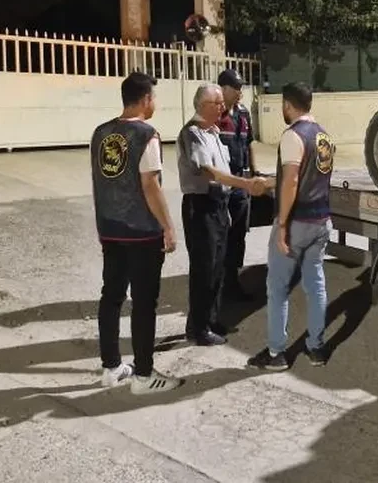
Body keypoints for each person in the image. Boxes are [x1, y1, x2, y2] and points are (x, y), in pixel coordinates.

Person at [90, 71, 183, 394]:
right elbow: (150, 185)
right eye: (154, 97)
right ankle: (144, 375)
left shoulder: (101, 133)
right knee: (144, 303)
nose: (154, 103)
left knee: (111, 296)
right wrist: (168, 227)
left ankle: (111, 366)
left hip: (110, 229)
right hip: (141, 232)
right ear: (145, 99)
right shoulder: (147, 134)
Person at [247, 82, 335, 371]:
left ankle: (276, 354)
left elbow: (293, 181)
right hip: (321, 221)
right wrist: (271, 181)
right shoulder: (323, 135)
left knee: (278, 289)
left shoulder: (292, 136)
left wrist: (282, 225)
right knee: (316, 285)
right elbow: (306, 177)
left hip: (296, 223)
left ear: (287, 105)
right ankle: (316, 348)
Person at [176, 83, 264, 346]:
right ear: (204, 105)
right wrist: (245, 184)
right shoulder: (193, 133)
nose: (222, 107)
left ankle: (211, 319)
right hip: (201, 205)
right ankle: (197, 328)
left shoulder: (212, 132)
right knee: (203, 270)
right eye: (217, 103)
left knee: (216, 267)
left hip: (217, 205)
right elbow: (210, 172)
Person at [216, 68, 259, 300]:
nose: (241, 92)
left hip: (241, 186)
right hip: (223, 186)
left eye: (242, 87)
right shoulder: (215, 115)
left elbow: (249, 143)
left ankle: (233, 282)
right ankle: (219, 285)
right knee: (221, 235)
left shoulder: (242, 114)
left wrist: (254, 173)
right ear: (223, 89)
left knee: (238, 236)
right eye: (237, 87)